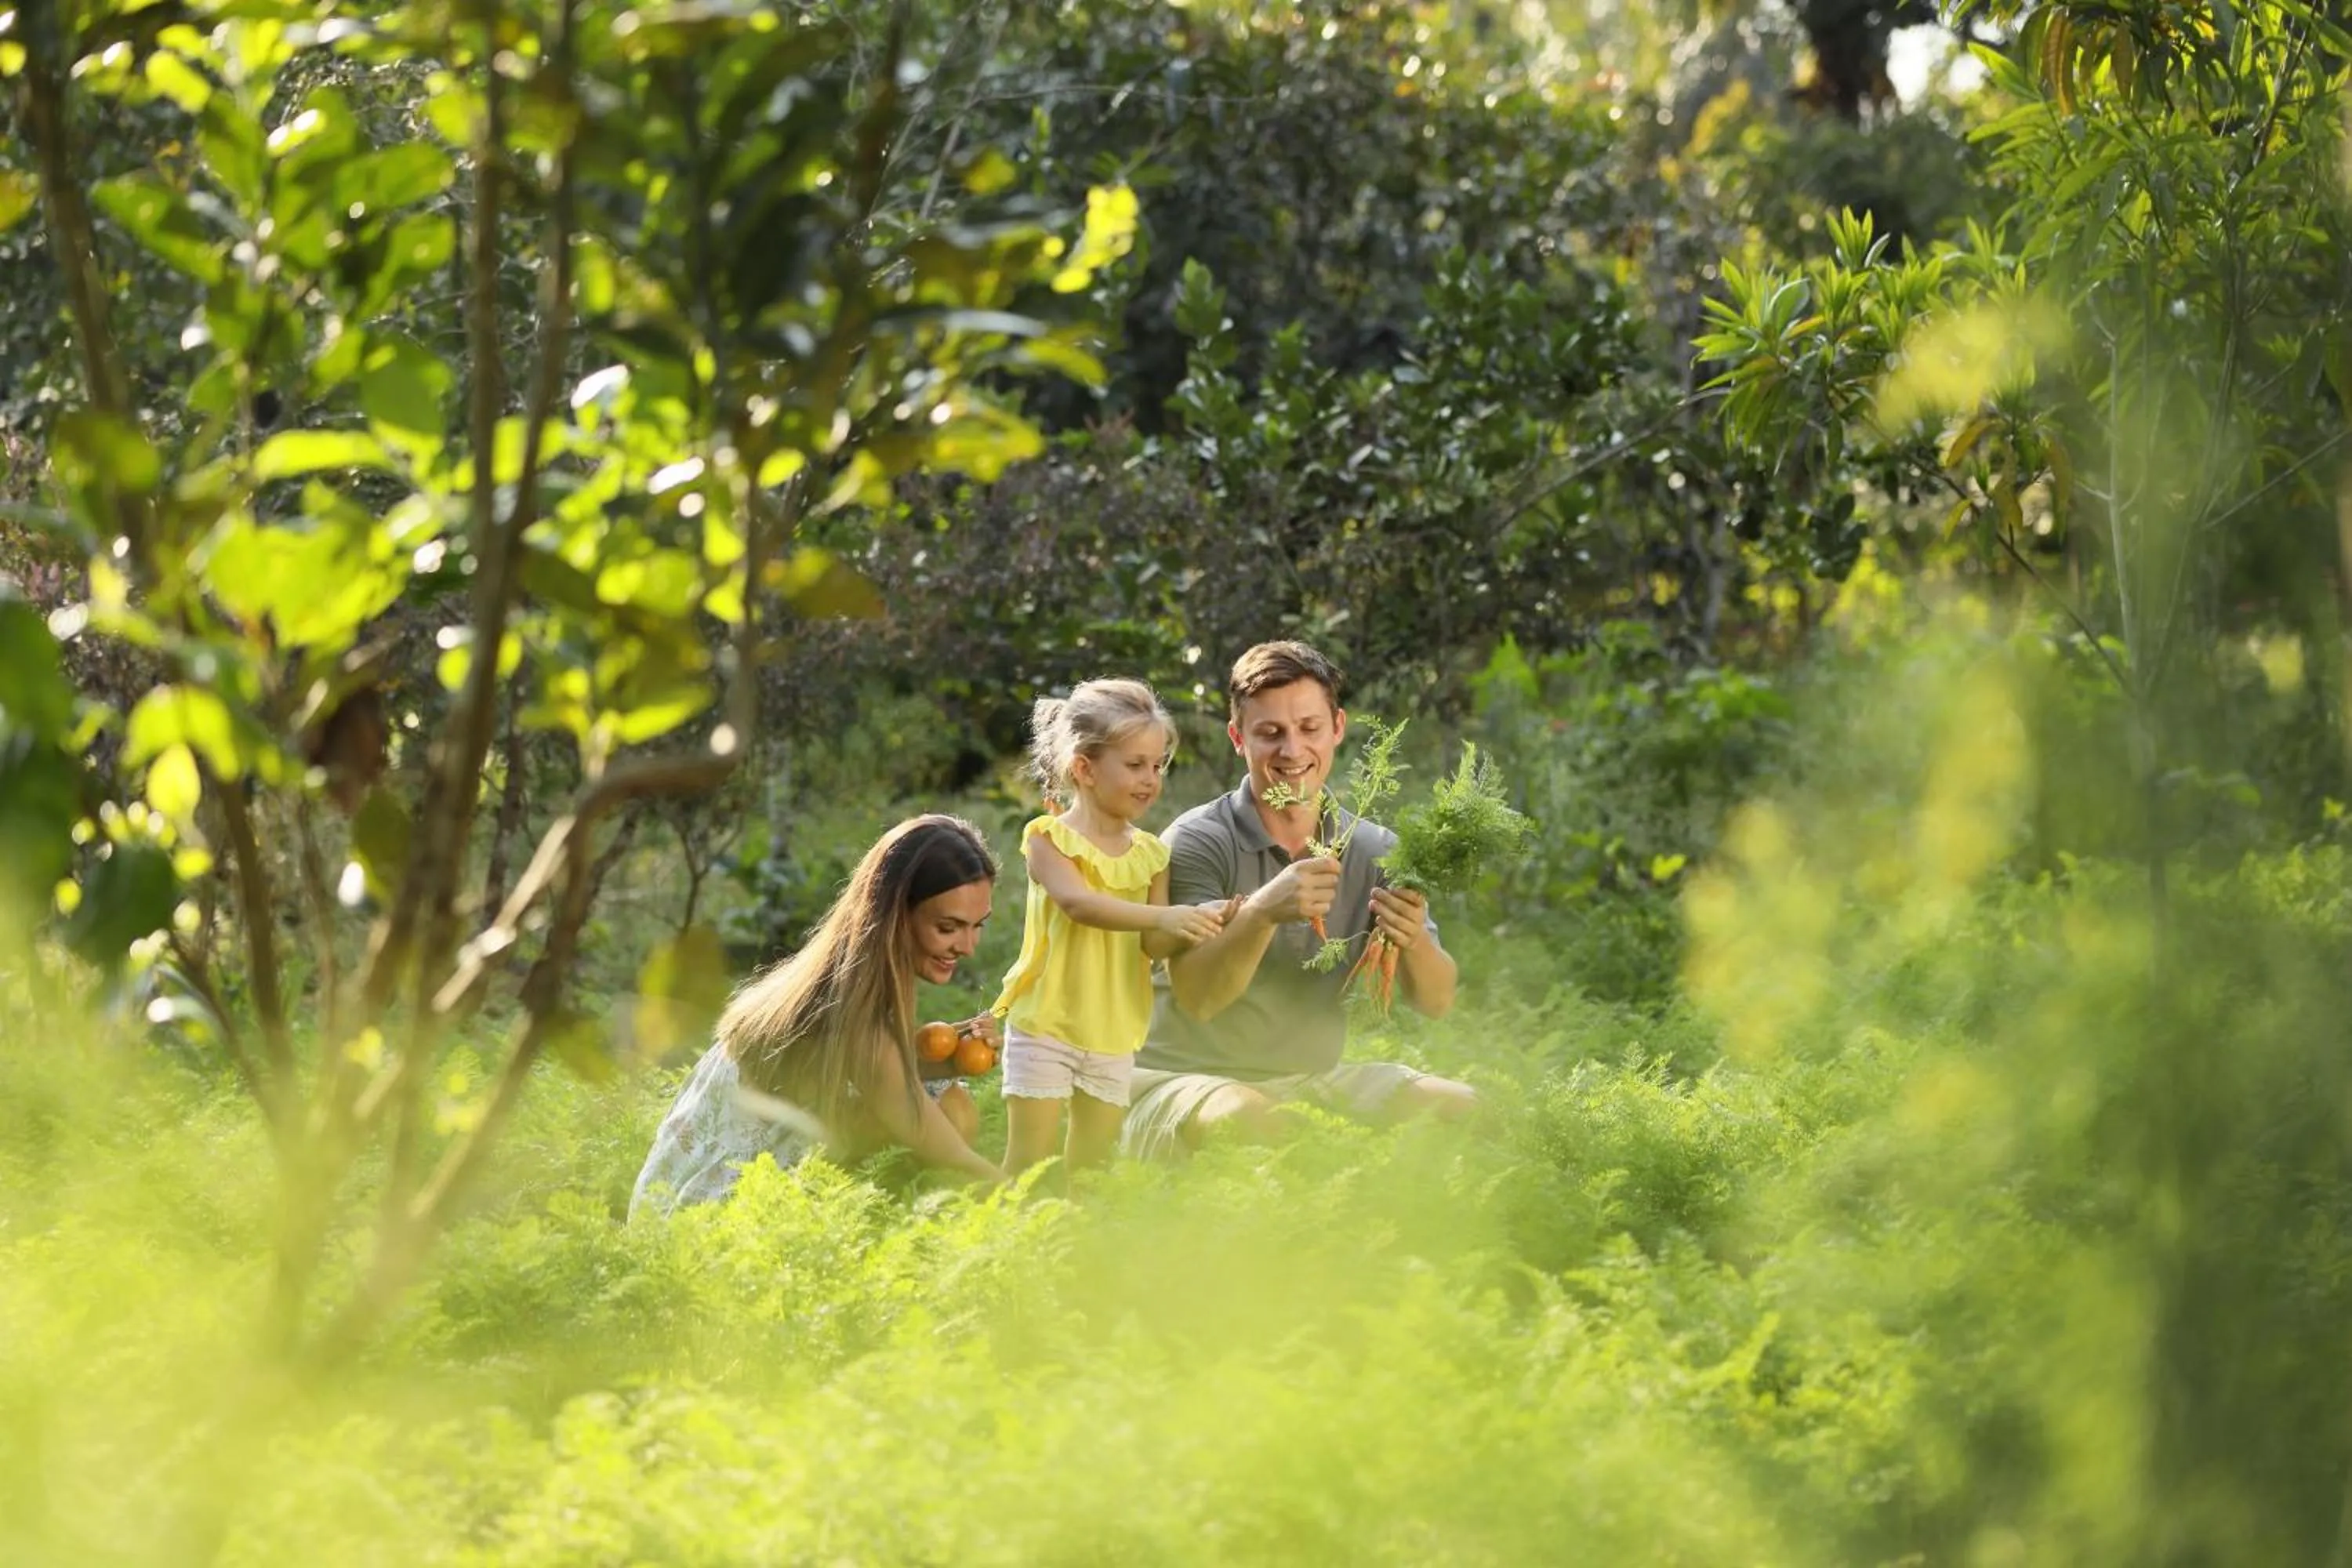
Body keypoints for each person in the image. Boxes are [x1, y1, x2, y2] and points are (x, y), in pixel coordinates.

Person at [1123, 641, 1475, 1160]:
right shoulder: (1197, 841)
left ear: (1336, 727)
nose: (1292, 752)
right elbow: (1199, 999)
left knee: (1466, 1110)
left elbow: (1437, 1002)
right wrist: (1264, 910)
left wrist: (1414, 938)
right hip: (1182, 1082)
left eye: (1309, 729)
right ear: (1238, 737)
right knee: (1251, 1121)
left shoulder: (1377, 849)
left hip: (1312, 1083)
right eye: (1270, 734)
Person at [630, 815, 1005, 1218]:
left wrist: (950, 1059)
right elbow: (938, 1141)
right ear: (896, 914)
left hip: (704, 1187)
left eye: (977, 926)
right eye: (948, 927)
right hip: (703, 1209)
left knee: (951, 1102)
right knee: (948, 1115)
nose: (967, 946)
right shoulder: (852, 1008)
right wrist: (1020, 1194)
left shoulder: (851, 975)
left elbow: (876, 1073)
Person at [993, 679, 1229, 1177]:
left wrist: (1208, 919)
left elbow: (1154, 943)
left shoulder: (1152, 854)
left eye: (1159, 765)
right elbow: (1080, 905)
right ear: (1084, 768)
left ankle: (1080, 1254)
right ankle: (1005, 1251)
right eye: (1136, 765)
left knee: (1092, 1170)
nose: (1151, 779)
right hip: (1047, 1021)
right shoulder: (1048, 838)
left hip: (1114, 1028)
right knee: (1028, 1164)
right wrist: (1164, 916)